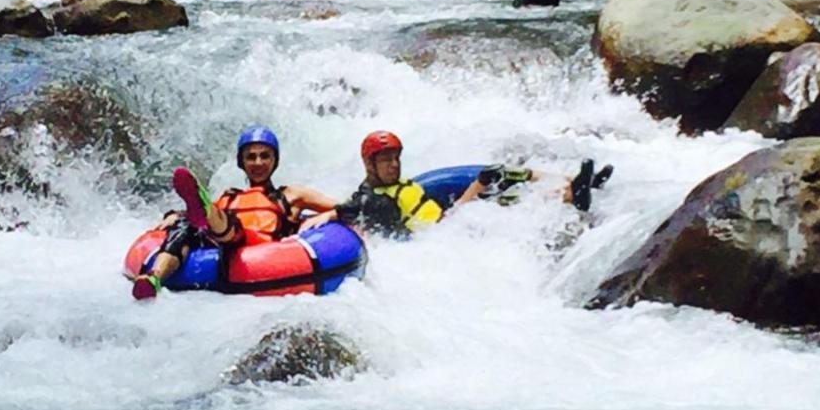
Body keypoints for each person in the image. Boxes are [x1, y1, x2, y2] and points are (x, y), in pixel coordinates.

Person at [132, 125, 338, 299]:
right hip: (222, 240)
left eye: (265, 156)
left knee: (230, 226)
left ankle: (207, 209)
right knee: (186, 227)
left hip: (256, 246)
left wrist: (329, 215)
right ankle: (154, 278)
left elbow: (346, 207)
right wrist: (175, 215)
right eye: (251, 157)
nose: (258, 163)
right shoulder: (231, 196)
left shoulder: (292, 194)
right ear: (242, 163)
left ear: (275, 160)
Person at [301, 130, 611, 239]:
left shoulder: (390, 185)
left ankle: (576, 185)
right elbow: (345, 210)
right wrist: (323, 216)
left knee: (505, 184)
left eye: (396, 158)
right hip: (443, 230)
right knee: (490, 180)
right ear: (370, 164)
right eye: (386, 160)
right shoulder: (370, 199)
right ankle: (571, 194)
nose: (394, 164)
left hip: (445, 212)